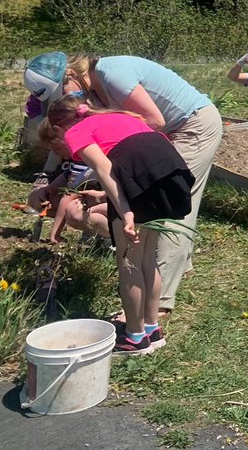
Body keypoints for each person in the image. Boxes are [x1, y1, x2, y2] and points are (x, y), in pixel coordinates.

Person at [24, 51, 222, 316]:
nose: (65, 99)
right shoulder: (92, 91)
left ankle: (159, 302)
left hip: (192, 126)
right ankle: (175, 267)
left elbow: (152, 122)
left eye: (62, 91)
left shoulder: (112, 75)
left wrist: (114, 171)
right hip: (163, 136)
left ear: (70, 75)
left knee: (166, 205)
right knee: (153, 205)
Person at [37, 96, 194, 354]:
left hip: (140, 179)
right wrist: (104, 197)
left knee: (129, 261)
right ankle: (152, 329)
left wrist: (126, 211)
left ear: (58, 127)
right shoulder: (122, 116)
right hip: (170, 173)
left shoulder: (76, 131)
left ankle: (134, 337)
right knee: (148, 259)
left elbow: (104, 169)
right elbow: (138, 152)